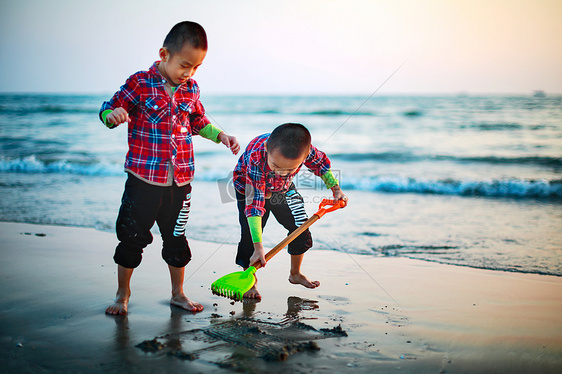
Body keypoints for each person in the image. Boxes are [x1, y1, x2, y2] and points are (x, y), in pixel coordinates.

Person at [100, 21, 240, 315]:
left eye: (196, 67)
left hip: (181, 181)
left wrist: (222, 136)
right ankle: (122, 294)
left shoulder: (191, 89)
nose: (188, 73)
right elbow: (108, 108)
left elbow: (199, 121)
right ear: (164, 54)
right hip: (143, 179)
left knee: (176, 239)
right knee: (131, 237)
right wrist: (113, 115)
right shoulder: (140, 82)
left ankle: (178, 293)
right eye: (184, 65)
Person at [232, 123, 347, 299]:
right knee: (251, 237)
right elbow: (254, 205)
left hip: (281, 189)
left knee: (300, 226)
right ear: (266, 150)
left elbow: (321, 166)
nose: (282, 173)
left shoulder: (306, 152)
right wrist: (259, 247)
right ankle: (250, 281)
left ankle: (295, 274)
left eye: (290, 169)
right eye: (276, 166)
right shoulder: (256, 157)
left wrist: (336, 189)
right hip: (249, 187)